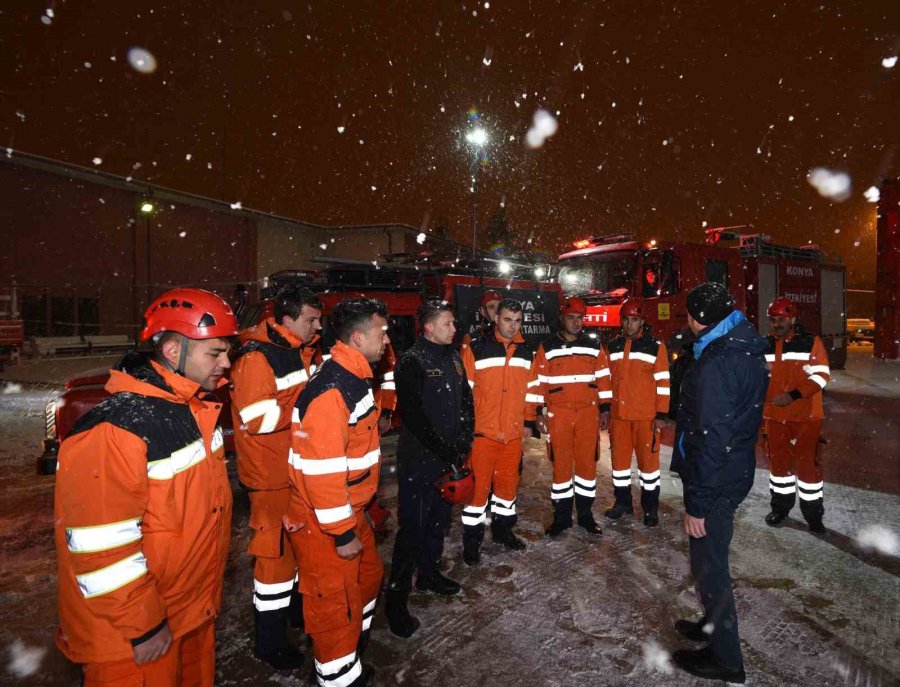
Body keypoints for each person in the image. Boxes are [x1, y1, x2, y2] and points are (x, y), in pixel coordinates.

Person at [54, 288, 238, 686]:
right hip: (132, 638)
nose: (227, 364)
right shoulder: (115, 428)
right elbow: (99, 545)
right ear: (173, 351)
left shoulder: (193, 409)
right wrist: (144, 623)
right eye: (215, 353)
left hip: (188, 612)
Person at [284, 298, 389, 687]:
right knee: (334, 609)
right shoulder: (332, 391)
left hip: (349, 512)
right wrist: (342, 532)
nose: (387, 340)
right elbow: (321, 474)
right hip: (325, 525)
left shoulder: (353, 378)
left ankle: (351, 658)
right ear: (359, 337)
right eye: (382, 332)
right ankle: (337, 674)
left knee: (366, 580)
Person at [670, 282, 768, 683]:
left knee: (710, 568)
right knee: (709, 562)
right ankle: (712, 625)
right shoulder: (743, 346)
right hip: (734, 469)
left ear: (699, 319)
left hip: (717, 478)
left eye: (690, 316)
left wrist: (698, 502)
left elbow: (712, 438)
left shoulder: (717, 363)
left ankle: (726, 659)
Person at [230, 284, 323, 669]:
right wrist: (310, 408)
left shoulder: (298, 349)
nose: (317, 326)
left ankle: (295, 617)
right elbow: (258, 419)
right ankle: (269, 642)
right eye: (310, 319)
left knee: (299, 554)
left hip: (294, 472)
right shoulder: (258, 358)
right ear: (286, 320)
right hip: (270, 479)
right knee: (275, 566)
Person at [385, 299, 474, 638]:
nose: (454, 329)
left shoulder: (452, 356)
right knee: (412, 529)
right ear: (429, 326)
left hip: (450, 458)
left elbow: (466, 400)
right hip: (421, 461)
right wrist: (445, 448)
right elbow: (414, 416)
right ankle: (396, 601)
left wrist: (464, 439)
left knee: (439, 520)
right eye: (448, 323)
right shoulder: (411, 362)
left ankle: (429, 574)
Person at [460, 298, 536, 564]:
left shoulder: (528, 352)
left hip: (512, 436)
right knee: (477, 493)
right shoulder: (477, 348)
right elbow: (464, 393)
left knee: (507, 490)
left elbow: (532, 391)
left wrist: (528, 422)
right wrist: (465, 428)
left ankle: (503, 532)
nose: (513, 326)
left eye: (517, 321)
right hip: (483, 434)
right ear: (496, 319)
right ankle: (472, 543)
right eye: (507, 320)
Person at [527, 296, 606, 536]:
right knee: (561, 468)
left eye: (580, 318)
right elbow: (536, 382)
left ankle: (585, 516)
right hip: (558, 415)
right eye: (571, 318)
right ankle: (561, 518)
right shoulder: (547, 346)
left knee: (587, 468)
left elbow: (604, 377)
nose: (576, 323)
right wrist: (535, 414)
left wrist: (606, 410)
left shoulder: (594, 345)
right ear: (562, 318)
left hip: (587, 415)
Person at [762, 296, 831, 533]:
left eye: (780, 319)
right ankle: (780, 508)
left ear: (792, 319)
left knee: (808, 470)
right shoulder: (765, 345)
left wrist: (793, 395)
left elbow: (821, 376)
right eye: (772, 320)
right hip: (774, 418)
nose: (775, 324)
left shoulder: (811, 342)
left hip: (806, 418)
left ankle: (813, 516)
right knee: (779, 469)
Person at [600, 298, 670, 527]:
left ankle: (650, 509)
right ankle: (623, 503)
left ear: (642, 322)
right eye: (626, 320)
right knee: (619, 466)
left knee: (648, 469)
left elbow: (662, 382)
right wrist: (605, 409)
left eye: (634, 320)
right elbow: (605, 381)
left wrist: (661, 415)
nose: (629, 325)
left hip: (646, 418)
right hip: (619, 417)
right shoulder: (613, 345)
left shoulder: (655, 346)